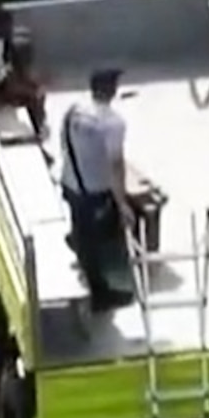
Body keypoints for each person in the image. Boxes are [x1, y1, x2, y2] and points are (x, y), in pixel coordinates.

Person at [58, 67, 137, 310]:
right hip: (94, 192)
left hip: (71, 182)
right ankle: (100, 294)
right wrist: (123, 204)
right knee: (94, 237)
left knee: (81, 227)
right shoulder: (113, 123)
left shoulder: (73, 111)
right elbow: (115, 165)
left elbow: (63, 141)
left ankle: (78, 239)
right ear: (113, 90)